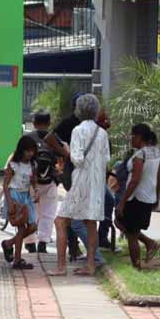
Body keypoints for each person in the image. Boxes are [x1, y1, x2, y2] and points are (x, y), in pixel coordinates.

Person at [50, 94, 109, 277]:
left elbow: (77, 159)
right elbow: (106, 159)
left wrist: (66, 150)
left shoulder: (78, 130)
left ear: (79, 110)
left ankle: (60, 267)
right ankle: (91, 265)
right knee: (91, 224)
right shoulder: (102, 133)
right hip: (97, 183)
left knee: (60, 221)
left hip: (80, 183)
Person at [117, 123, 160, 270]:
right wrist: (156, 196)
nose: (131, 139)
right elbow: (159, 177)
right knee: (122, 224)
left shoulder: (140, 155)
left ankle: (137, 266)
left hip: (136, 198)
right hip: (148, 198)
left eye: (132, 136)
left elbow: (135, 180)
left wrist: (122, 202)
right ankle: (149, 243)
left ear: (139, 137)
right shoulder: (156, 152)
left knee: (131, 234)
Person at [1, 135, 39, 270]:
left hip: (26, 197)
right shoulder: (13, 164)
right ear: (21, 150)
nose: (30, 153)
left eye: (32, 151)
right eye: (27, 150)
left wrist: (37, 190)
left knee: (33, 226)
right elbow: (5, 184)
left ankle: (8, 243)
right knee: (22, 228)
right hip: (15, 196)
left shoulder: (33, 164)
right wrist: (10, 202)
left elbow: (33, 179)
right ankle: (17, 260)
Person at [24, 111, 58, 254]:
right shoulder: (54, 138)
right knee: (48, 212)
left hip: (31, 181)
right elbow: (62, 158)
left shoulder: (27, 138)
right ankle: (43, 242)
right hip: (50, 181)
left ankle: (30, 243)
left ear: (34, 123)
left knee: (31, 211)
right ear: (49, 123)